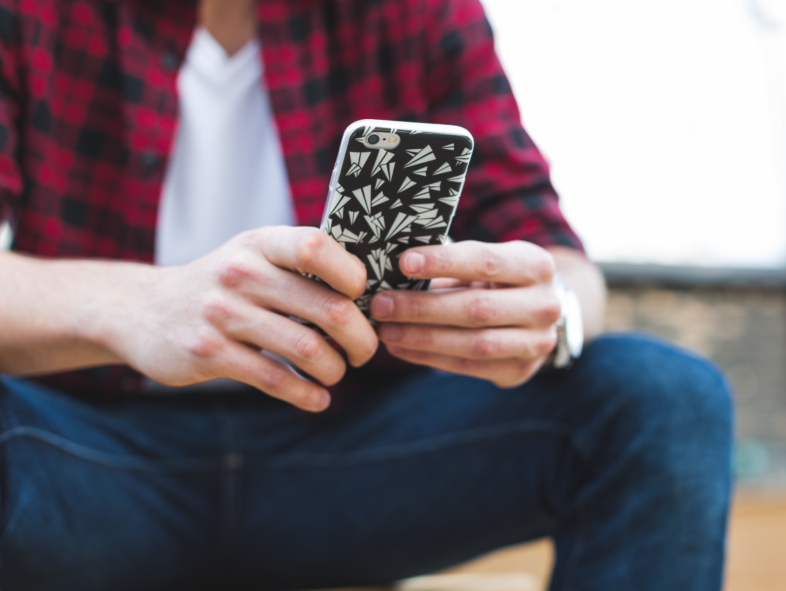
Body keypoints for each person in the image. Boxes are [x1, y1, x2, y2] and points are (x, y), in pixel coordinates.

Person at [0, 0, 733, 589]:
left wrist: (552, 314)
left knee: (663, 396)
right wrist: (139, 305)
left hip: (351, 455)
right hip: (84, 456)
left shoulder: (416, 11)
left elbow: (558, 260)